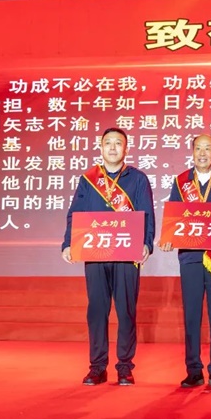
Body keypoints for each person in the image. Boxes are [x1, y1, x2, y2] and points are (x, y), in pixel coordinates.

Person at [61, 127, 155, 386]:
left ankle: (124, 367)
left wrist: (146, 243)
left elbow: (147, 213)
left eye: (118, 143)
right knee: (97, 311)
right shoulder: (88, 179)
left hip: (127, 252)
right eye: (108, 143)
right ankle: (97, 367)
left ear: (126, 148)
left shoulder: (138, 179)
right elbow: (75, 213)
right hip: (95, 251)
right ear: (101, 147)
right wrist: (68, 243)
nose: (113, 148)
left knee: (126, 311)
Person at [159, 134, 211, 389]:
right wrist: (168, 238)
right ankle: (193, 370)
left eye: (208, 148)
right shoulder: (181, 181)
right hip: (191, 258)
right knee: (192, 315)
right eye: (198, 148)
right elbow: (174, 217)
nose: (203, 153)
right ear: (192, 151)